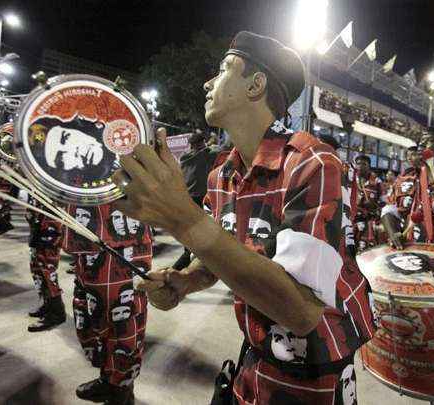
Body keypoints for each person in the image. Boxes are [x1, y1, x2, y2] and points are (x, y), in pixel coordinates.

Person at [112, 31, 375, 404]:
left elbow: (300, 312)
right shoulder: (222, 175)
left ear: (256, 86)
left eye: (223, 69)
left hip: (315, 369)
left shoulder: (314, 163)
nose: (208, 82)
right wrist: (184, 281)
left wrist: (182, 219)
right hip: (253, 353)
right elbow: (220, 256)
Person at [64, 203, 152, 405]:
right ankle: (109, 378)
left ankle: (121, 391)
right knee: (94, 316)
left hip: (120, 234)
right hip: (84, 231)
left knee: (122, 318)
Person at [171, 131, 218, 270]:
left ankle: (187, 259)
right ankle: (180, 267)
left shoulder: (184, 158)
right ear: (201, 143)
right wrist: (212, 141)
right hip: (202, 200)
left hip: (187, 199)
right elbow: (221, 148)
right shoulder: (208, 155)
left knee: (190, 233)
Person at [25, 196, 66, 332]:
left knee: (47, 271)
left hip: (51, 224)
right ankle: (48, 304)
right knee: (37, 269)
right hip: (39, 220)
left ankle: (57, 312)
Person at [353, 155, 383, 252]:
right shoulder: (350, 179)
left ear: (369, 166)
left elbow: (383, 202)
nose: (360, 166)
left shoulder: (377, 181)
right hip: (351, 220)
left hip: (369, 221)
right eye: (358, 163)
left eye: (364, 164)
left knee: (366, 250)